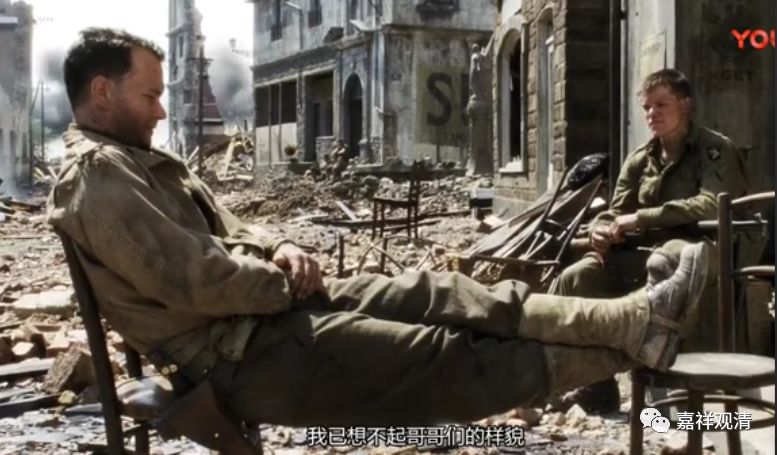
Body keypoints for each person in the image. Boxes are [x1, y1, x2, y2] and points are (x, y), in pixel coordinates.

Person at [47, 28, 711, 428]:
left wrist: (281, 245)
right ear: (102, 92)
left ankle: (630, 319)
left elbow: (229, 227)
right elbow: (191, 279)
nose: (161, 111)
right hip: (237, 352)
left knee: (444, 293)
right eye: (150, 95)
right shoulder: (98, 176)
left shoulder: (135, 161)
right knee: (441, 355)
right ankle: (634, 341)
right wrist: (279, 282)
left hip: (266, 313)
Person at [554, 68, 749, 413]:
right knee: (577, 278)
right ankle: (597, 386)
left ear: (685, 105)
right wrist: (600, 229)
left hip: (702, 251)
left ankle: (670, 392)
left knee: (668, 260)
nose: (651, 114)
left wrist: (642, 218)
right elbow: (615, 211)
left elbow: (711, 204)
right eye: (647, 107)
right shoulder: (639, 160)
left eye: (661, 104)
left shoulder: (714, 150)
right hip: (645, 254)